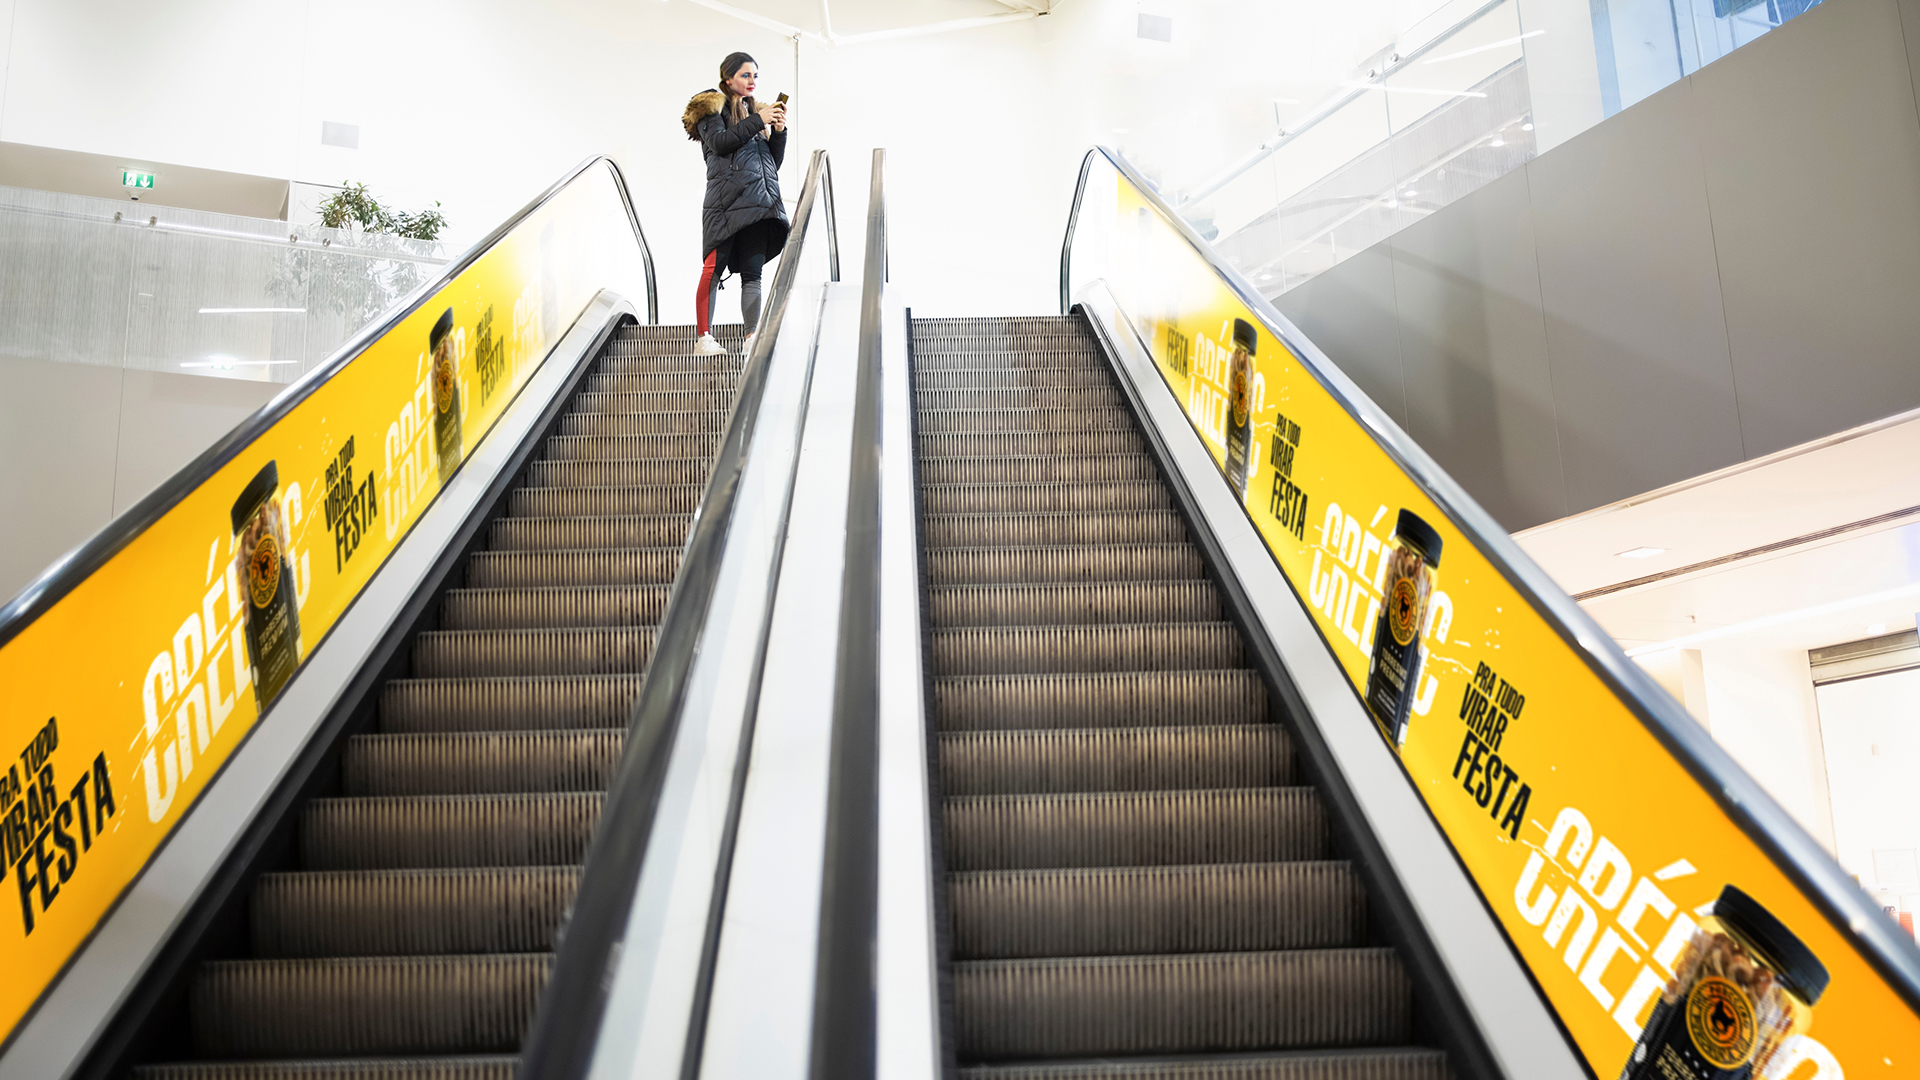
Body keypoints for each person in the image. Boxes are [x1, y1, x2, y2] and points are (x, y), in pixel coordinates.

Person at [682, 52, 788, 356]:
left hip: (758, 204)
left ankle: (751, 336)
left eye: (755, 75)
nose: (752, 81)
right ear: (728, 79)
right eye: (745, 75)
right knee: (713, 268)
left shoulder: (756, 112)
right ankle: (704, 338)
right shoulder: (711, 109)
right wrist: (758, 121)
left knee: (753, 273)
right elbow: (721, 143)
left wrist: (778, 132)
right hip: (725, 204)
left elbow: (770, 164)